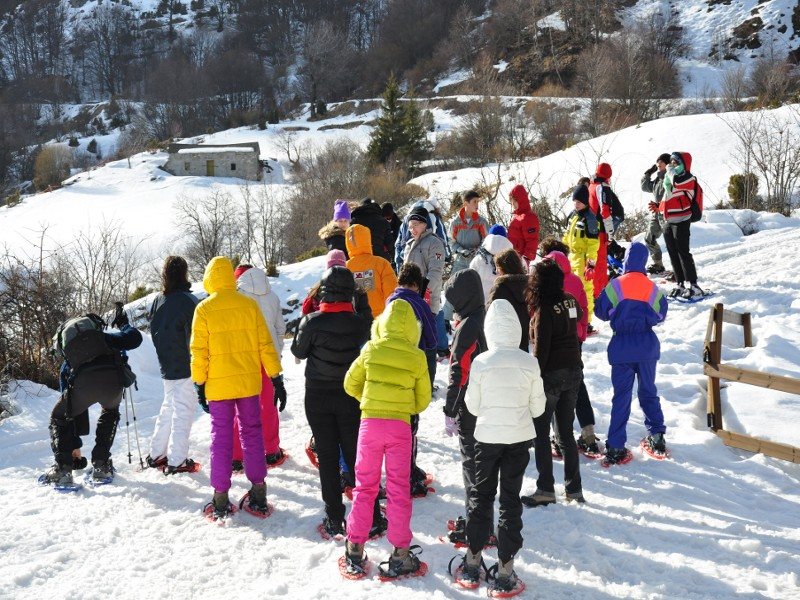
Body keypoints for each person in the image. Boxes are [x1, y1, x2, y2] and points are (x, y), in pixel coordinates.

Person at [453, 300, 546, 595]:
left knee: (481, 497)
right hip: (518, 439)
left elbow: (473, 405)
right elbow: (539, 407)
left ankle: (472, 560)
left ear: (490, 330)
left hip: (487, 439)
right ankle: (505, 567)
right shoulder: (529, 362)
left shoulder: (481, 362)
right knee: (509, 500)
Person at [291, 265, 385, 538]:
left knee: (328, 456)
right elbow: (369, 341)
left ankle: (334, 517)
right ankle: (372, 516)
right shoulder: (359, 323)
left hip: (317, 394)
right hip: (350, 394)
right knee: (357, 456)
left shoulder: (312, 322)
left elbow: (299, 350)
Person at [341, 299, 432, 579]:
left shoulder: (371, 348)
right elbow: (423, 399)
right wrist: (403, 407)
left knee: (365, 486)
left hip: (370, 424)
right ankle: (401, 553)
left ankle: (354, 548)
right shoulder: (416, 357)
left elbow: (349, 384)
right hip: (399, 429)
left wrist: (368, 402)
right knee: (398, 489)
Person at [190, 256, 283, 519]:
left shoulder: (204, 309)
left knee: (221, 439)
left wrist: (199, 383)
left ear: (210, 278)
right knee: (252, 433)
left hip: (219, 387)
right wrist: (276, 376)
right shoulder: (248, 305)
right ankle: (258, 491)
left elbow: (199, 352)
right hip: (248, 384)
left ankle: (220, 498)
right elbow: (266, 343)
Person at [42, 307, 143, 488]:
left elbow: (68, 410)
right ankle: (101, 466)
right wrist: (123, 324)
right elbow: (135, 339)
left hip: (82, 386)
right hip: (113, 384)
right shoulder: (105, 339)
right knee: (110, 412)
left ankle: (63, 470)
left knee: (59, 416)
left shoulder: (70, 357)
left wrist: (74, 445)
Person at [594, 242, 669, 466]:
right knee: (648, 392)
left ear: (626, 260)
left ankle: (616, 446)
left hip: (622, 348)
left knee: (621, 398)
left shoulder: (615, 285)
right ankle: (657, 436)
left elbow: (600, 312)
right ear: (644, 261)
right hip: (646, 345)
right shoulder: (652, 287)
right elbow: (661, 314)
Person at [522, 259, 585, 507]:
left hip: (552, 376)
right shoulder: (569, 299)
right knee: (566, 433)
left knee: (541, 432)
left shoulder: (544, 310)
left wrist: (534, 380)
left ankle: (546, 488)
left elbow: (541, 350)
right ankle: (574, 489)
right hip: (574, 371)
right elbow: (578, 314)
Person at [442, 268, 487, 545]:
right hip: (489, 402)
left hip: (471, 405)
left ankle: (476, 525)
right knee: (482, 465)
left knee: (472, 463)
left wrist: (449, 409)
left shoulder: (469, 326)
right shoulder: (487, 317)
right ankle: (478, 518)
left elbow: (460, 372)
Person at [386, 263, 438, 497]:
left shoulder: (390, 302)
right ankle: (409, 474)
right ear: (417, 284)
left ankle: (402, 471)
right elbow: (431, 338)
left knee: (396, 423)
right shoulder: (419, 303)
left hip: (389, 368)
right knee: (410, 424)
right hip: (412, 367)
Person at [146, 256, 200, 475]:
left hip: (167, 364)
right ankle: (177, 460)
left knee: (169, 407)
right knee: (183, 410)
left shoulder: (158, 300)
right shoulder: (189, 301)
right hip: (186, 364)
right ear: (184, 273)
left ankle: (157, 453)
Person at [545, 249, 601, 457]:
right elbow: (584, 308)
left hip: (555, 340)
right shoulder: (576, 281)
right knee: (578, 383)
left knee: (552, 386)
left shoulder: (548, 283)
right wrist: (581, 332)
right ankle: (588, 432)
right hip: (575, 339)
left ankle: (558, 437)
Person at [232, 264, 287, 469]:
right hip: (268, 358)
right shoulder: (272, 296)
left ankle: (236, 457)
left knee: (240, 408)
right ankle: (272, 451)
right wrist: (276, 351)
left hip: (245, 359)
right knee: (268, 405)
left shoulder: (237, 296)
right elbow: (280, 328)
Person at [660, 152, 704, 299]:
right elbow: (668, 197)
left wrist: (670, 171)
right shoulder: (669, 178)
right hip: (669, 221)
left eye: (676, 162)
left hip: (682, 220)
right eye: (671, 162)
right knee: (673, 254)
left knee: (683, 253)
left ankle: (694, 285)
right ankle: (679, 283)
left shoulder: (687, 178)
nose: (672, 165)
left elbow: (677, 183)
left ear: (685, 164)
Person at [563, 183, 600, 319]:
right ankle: (572, 318)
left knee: (584, 290)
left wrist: (590, 266)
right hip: (570, 258)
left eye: (579, 202)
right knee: (568, 289)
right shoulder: (572, 216)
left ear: (585, 201)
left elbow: (593, 245)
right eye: (574, 201)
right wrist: (562, 252)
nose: (576, 204)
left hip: (582, 259)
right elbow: (566, 236)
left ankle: (586, 320)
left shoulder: (590, 219)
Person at [345, 224, 397, 318]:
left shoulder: (345, 267)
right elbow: (391, 291)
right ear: (367, 239)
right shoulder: (381, 263)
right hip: (380, 318)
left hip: (355, 319)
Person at [402, 205, 446, 317]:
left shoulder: (435, 243)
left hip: (427, 302)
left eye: (415, 225)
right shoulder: (409, 245)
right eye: (410, 226)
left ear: (424, 224)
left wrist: (421, 292)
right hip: (409, 300)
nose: (412, 229)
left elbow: (435, 272)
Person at [588, 163, 622, 303]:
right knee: (600, 264)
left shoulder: (591, 185)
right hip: (600, 231)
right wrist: (610, 232)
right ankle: (599, 294)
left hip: (590, 229)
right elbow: (605, 211)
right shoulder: (603, 188)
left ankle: (595, 291)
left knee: (593, 262)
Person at [488, 248, 530, 351]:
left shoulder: (500, 287)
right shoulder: (529, 285)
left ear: (503, 268)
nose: (497, 271)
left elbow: (489, 311)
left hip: (506, 335)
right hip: (526, 332)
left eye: (498, 267)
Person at [641, 153, 671, 275]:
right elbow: (645, 187)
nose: (658, 164)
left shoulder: (670, 178)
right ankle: (658, 265)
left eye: (661, 162)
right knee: (649, 238)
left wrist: (661, 206)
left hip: (667, 214)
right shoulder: (658, 180)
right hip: (656, 214)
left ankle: (681, 267)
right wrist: (647, 174)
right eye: (657, 162)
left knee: (672, 241)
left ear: (667, 164)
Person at [449, 190, 489, 274]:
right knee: (455, 284)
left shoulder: (481, 222)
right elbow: (451, 241)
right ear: (465, 203)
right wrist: (460, 250)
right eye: (474, 202)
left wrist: (477, 249)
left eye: (478, 202)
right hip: (460, 262)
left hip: (477, 260)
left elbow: (487, 240)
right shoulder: (455, 222)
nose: (477, 205)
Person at [469, 231, 514, 301]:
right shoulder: (512, 258)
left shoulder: (479, 258)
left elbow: (471, 281)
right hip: (505, 303)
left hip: (482, 302)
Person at [350, 197, 393, 262]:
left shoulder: (353, 221)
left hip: (359, 260)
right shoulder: (383, 221)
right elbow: (390, 244)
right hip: (380, 259)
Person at [507, 184, 540, 267]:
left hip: (521, 260)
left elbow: (532, 240)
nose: (513, 204)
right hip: (514, 257)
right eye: (511, 202)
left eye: (515, 201)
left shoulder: (528, 217)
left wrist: (526, 258)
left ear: (521, 200)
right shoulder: (517, 216)